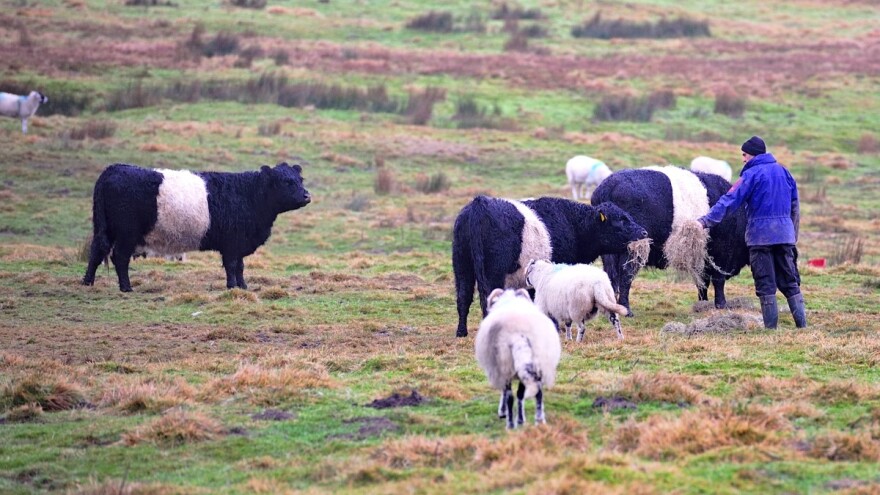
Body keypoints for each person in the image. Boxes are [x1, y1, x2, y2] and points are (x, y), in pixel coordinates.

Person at [697, 136, 806, 329]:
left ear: (753, 154)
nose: (743, 158)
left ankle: (770, 329)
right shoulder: (785, 172)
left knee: (765, 282)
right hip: (784, 236)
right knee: (789, 281)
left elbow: (729, 201)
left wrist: (705, 221)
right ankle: (802, 326)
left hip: (760, 237)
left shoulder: (751, 175)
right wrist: (792, 235)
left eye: (744, 154)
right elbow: (795, 207)